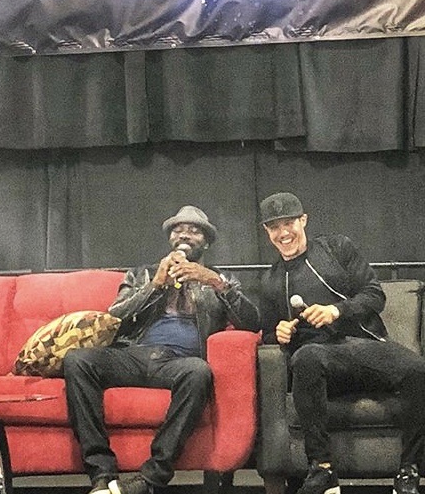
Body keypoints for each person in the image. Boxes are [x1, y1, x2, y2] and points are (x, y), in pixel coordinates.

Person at [64, 205, 260, 494]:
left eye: (194, 231)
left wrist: (213, 282)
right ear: (170, 239)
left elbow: (253, 322)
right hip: (133, 355)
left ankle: (151, 477)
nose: (184, 234)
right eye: (178, 230)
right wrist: (154, 286)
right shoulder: (142, 274)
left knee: (199, 372)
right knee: (77, 360)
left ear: (206, 242)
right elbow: (115, 316)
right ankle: (101, 475)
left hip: (179, 363)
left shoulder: (217, 278)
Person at [259, 192, 425, 494]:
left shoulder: (337, 248)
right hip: (320, 363)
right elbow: (269, 334)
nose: (283, 233)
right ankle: (322, 470)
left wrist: (336, 310)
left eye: (289, 223)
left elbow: (374, 295)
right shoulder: (271, 281)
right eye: (274, 227)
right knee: (306, 358)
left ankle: (409, 469)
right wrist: (278, 334)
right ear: (266, 231)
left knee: (417, 369)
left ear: (303, 220)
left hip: (365, 348)